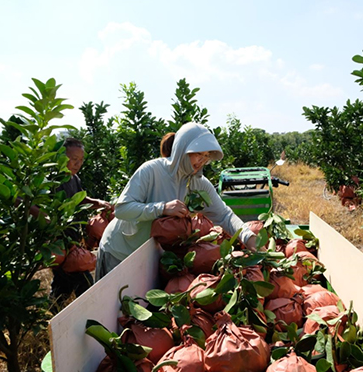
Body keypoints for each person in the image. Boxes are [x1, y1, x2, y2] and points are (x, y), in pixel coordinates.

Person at [96, 123, 258, 280]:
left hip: (147, 256)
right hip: (119, 251)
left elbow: (224, 215)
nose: (202, 160)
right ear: (182, 149)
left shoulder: (199, 184)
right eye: (198, 154)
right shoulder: (152, 171)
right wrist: (162, 208)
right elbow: (122, 209)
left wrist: (248, 237)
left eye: (206, 156)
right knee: (108, 305)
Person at [50, 138, 112, 308]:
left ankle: (51, 312)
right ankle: (89, 313)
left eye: (81, 159)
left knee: (64, 283)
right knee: (82, 280)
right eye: (74, 159)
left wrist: (98, 202)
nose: (78, 163)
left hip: (72, 240)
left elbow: (80, 199)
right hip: (60, 242)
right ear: (62, 157)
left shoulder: (74, 178)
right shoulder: (53, 180)